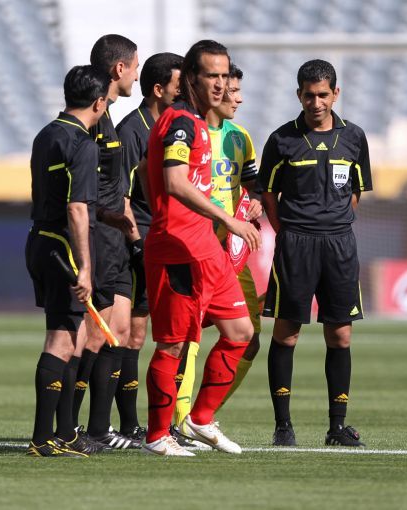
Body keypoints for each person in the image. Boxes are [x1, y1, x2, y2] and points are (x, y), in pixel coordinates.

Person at [138, 39, 261, 456]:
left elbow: (146, 168)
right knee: (173, 343)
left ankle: (201, 418)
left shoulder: (198, 122)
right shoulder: (181, 122)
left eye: (225, 75)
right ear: (191, 77)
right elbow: (174, 182)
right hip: (178, 249)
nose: (221, 84)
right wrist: (227, 219)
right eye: (212, 75)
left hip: (204, 246)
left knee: (241, 332)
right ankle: (157, 436)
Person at [257, 59, 372, 447]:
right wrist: (288, 231)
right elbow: (268, 194)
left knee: (340, 336)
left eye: (323, 95)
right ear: (299, 95)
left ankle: (337, 427)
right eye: (309, 95)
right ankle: (283, 426)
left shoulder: (354, 137)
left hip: (339, 245)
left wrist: (332, 222)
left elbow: (355, 192)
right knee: (287, 333)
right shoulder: (281, 139)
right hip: (296, 245)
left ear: (335, 94)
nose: (316, 102)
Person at [24, 65, 111, 457]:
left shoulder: (46, 134)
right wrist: (85, 267)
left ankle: (65, 433)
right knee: (60, 339)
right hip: (62, 247)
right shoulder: (83, 143)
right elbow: (77, 209)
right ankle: (43, 439)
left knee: (71, 337)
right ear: (99, 102)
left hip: (40, 240)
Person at [174, 63, 263, 420]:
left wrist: (255, 202)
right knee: (186, 337)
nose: (238, 99)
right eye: (232, 92)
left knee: (249, 338)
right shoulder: (188, 133)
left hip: (231, 251)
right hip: (195, 246)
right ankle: (178, 421)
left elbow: (251, 187)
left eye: (239, 91)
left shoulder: (240, 137)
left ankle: (203, 417)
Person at [69, 34, 141, 450]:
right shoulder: (92, 117)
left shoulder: (109, 115)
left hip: (114, 238)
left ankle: (97, 428)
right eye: (135, 67)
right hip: (98, 237)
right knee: (95, 334)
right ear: (120, 69)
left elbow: (116, 187)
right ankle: (69, 426)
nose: (136, 75)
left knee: (116, 331)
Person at [113, 51, 183, 443]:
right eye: (178, 85)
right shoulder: (132, 131)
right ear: (158, 89)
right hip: (143, 241)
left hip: (171, 241)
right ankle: (126, 424)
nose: (184, 91)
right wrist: (138, 244)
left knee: (172, 335)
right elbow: (121, 197)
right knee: (134, 334)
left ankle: (162, 421)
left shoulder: (178, 125)